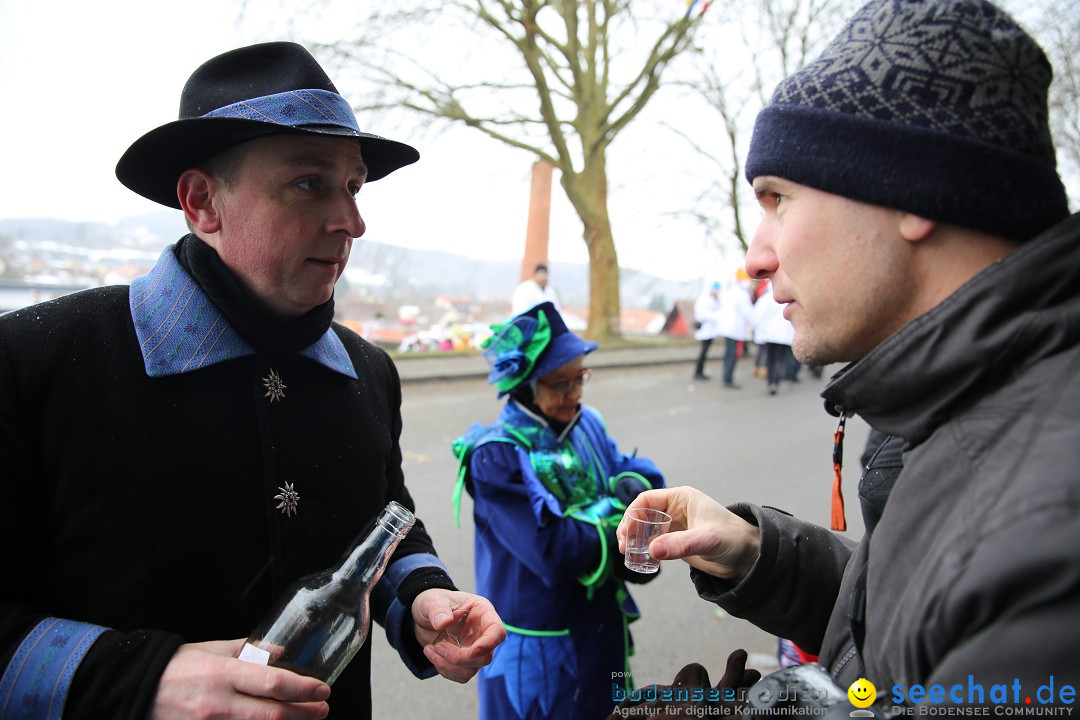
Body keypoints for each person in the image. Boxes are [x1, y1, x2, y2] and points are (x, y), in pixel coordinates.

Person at [0, 42, 504, 720]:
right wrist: (138, 680)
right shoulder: (34, 361)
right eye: (309, 183)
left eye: (353, 186)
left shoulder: (369, 372)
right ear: (202, 202)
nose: (352, 222)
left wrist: (420, 596)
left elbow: (385, 517)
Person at [618, 0, 1078, 707]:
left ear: (916, 186)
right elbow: (916, 616)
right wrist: (753, 550)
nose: (757, 255)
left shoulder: (1048, 520)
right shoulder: (974, 409)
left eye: (779, 198)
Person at [452, 301, 666, 719]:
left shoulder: (588, 423)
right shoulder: (495, 456)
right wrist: (625, 518)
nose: (575, 394)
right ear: (526, 385)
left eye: (580, 378)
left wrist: (629, 491)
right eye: (559, 384)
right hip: (540, 639)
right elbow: (552, 548)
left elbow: (639, 476)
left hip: (600, 620)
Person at [751, 280, 796, 395]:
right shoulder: (788, 299)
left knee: (771, 359)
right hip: (784, 337)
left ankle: (771, 381)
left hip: (770, 336)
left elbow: (757, 316)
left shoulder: (766, 299)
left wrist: (759, 333)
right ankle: (776, 381)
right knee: (780, 360)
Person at [714, 271, 755, 389]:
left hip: (728, 329)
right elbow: (748, 313)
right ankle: (728, 378)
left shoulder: (730, 292)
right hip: (736, 330)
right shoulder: (741, 294)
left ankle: (726, 376)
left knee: (728, 354)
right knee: (733, 355)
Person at [692, 281, 722, 380]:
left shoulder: (713, 299)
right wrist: (717, 316)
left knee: (705, 352)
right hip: (705, 330)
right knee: (703, 352)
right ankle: (698, 372)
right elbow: (703, 314)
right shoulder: (704, 299)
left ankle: (700, 371)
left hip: (710, 331)